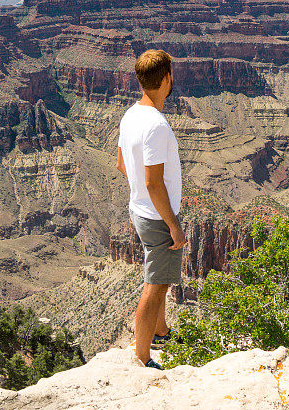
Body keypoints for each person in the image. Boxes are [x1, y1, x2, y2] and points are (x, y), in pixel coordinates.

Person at [115, 49, 186, 369]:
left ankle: (160, 331)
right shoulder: (156, 125)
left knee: (159, 277)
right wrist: (173, 225)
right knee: (155, 286)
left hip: (140, 210)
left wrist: (141, 194)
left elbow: (120, 163)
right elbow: (154, 182)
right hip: (157, 216)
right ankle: (142, 358)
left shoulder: (131, 114)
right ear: (167, 78)